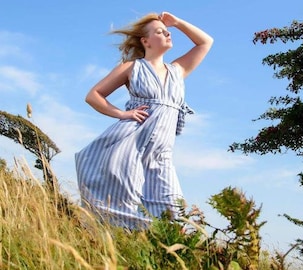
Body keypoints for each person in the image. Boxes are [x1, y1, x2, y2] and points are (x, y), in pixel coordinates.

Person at [75, 11, 213, 229]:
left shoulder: (177, 70)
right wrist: (122, 113)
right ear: (145, 41)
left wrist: (177, 23)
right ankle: (102, 244)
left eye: (168, 31)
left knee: (173, 214)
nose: (168, 34)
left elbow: (205, 42)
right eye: (160, 31)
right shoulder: (132, 67)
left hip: (161, 154)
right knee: (122, 206)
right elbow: (93, 96)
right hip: (130, 147)